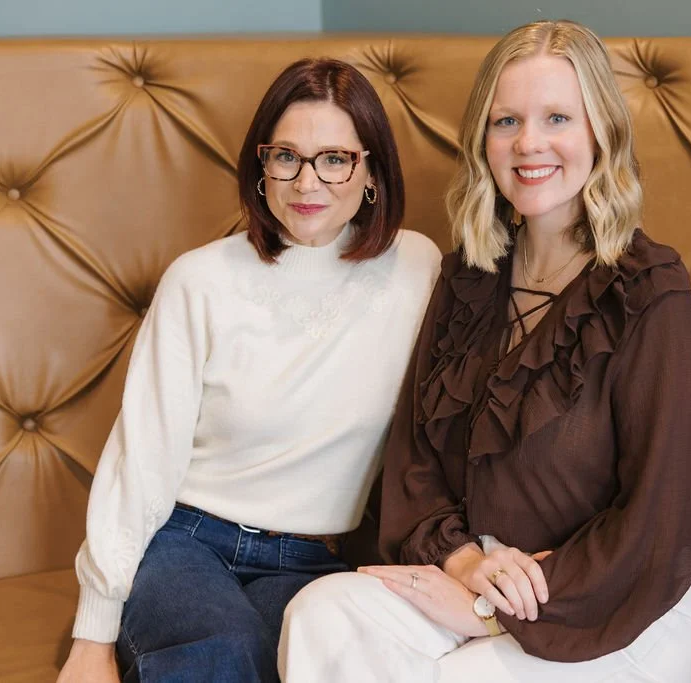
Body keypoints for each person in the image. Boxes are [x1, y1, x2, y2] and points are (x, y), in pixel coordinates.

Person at [280, 20, 691, 682]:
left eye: (557, 117)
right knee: (321, 615)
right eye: (506, 121)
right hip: (478, 566)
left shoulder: (650, 297)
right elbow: (416, 460)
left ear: (601, 132)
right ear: (484, 140)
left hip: (620, 601)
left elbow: (657, 525)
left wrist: (487, 610)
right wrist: (464, 564)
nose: (529, 143)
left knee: (470, 675)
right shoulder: (467, 278)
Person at [56, 58, 442, 683]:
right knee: (223, 652)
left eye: (334, 158)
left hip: (309, 562)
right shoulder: (200, 280)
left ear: (372, 170)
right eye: (285, 155)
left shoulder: (419, 269)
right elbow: (143, 460)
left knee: (305, 660)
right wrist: (91, 637)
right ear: (260, 166)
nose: (306, 181)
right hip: (185, 544)